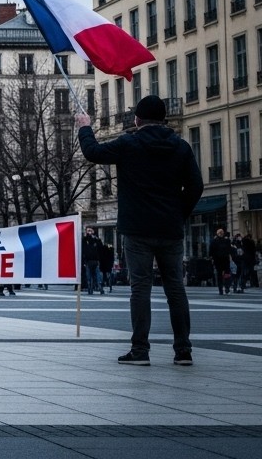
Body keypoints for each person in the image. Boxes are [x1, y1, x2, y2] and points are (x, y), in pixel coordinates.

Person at [77, 95, 203, 366]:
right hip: (170, 229)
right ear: (164, 119)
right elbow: (196, 186)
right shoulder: (181, 147)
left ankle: (140, 350)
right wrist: (178, 214)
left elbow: (94, 153)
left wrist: (85, 127)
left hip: (137, 229)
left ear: (137, 119)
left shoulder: (129, 143)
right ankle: (183, 350)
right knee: (175, 289)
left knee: (141, 289)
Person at [210, 228, 233, 296]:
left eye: (221, 232)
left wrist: (212, 258)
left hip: (221, 260)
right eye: (220, 233)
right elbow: (229, 250)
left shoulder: (215, 241)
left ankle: (223, 289)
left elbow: (211, 251)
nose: (221, 234)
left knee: (222, 275)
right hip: (222, 260)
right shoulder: (225, 241)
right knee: (225, 274)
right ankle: (225, 288)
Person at [82, 227, 104, 295]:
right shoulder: (84, 240)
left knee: (97, 275)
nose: (89, 232)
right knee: (89, 276)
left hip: (95, 260)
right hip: (88, 261)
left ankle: (100, 286)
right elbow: (82, 250)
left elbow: (101, 249)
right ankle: (90, 288)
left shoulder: (96, 239)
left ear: (93, 231)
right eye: (88, 231)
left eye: (90, 230)